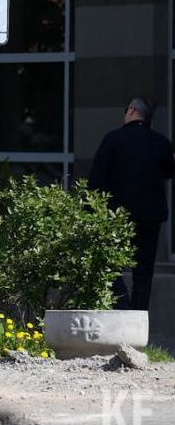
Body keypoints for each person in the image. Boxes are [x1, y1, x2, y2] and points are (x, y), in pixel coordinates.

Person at [88, 97, 175, 310]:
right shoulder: (161, 142)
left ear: (132, 110)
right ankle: (138, 317)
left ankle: (122, 306)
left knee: (109, 265)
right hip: (149, 217)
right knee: (144, 272)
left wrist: (90, 209)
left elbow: (96, 179)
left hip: (117, 216)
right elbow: (169, 172)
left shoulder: (113, 139)